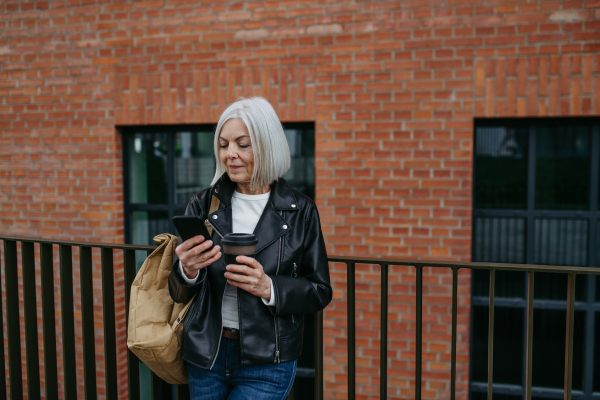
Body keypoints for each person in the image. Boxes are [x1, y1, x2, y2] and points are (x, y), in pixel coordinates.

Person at [168, 97, 332, 399]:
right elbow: (178, 293)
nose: (230, 154)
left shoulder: (301, 211)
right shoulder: (203, 203)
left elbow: (320, 290)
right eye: (224, 144)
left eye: (243, 144)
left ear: (267, 145)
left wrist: (268, 287)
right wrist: (186, 271)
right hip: (206, 355)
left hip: (268, 361)